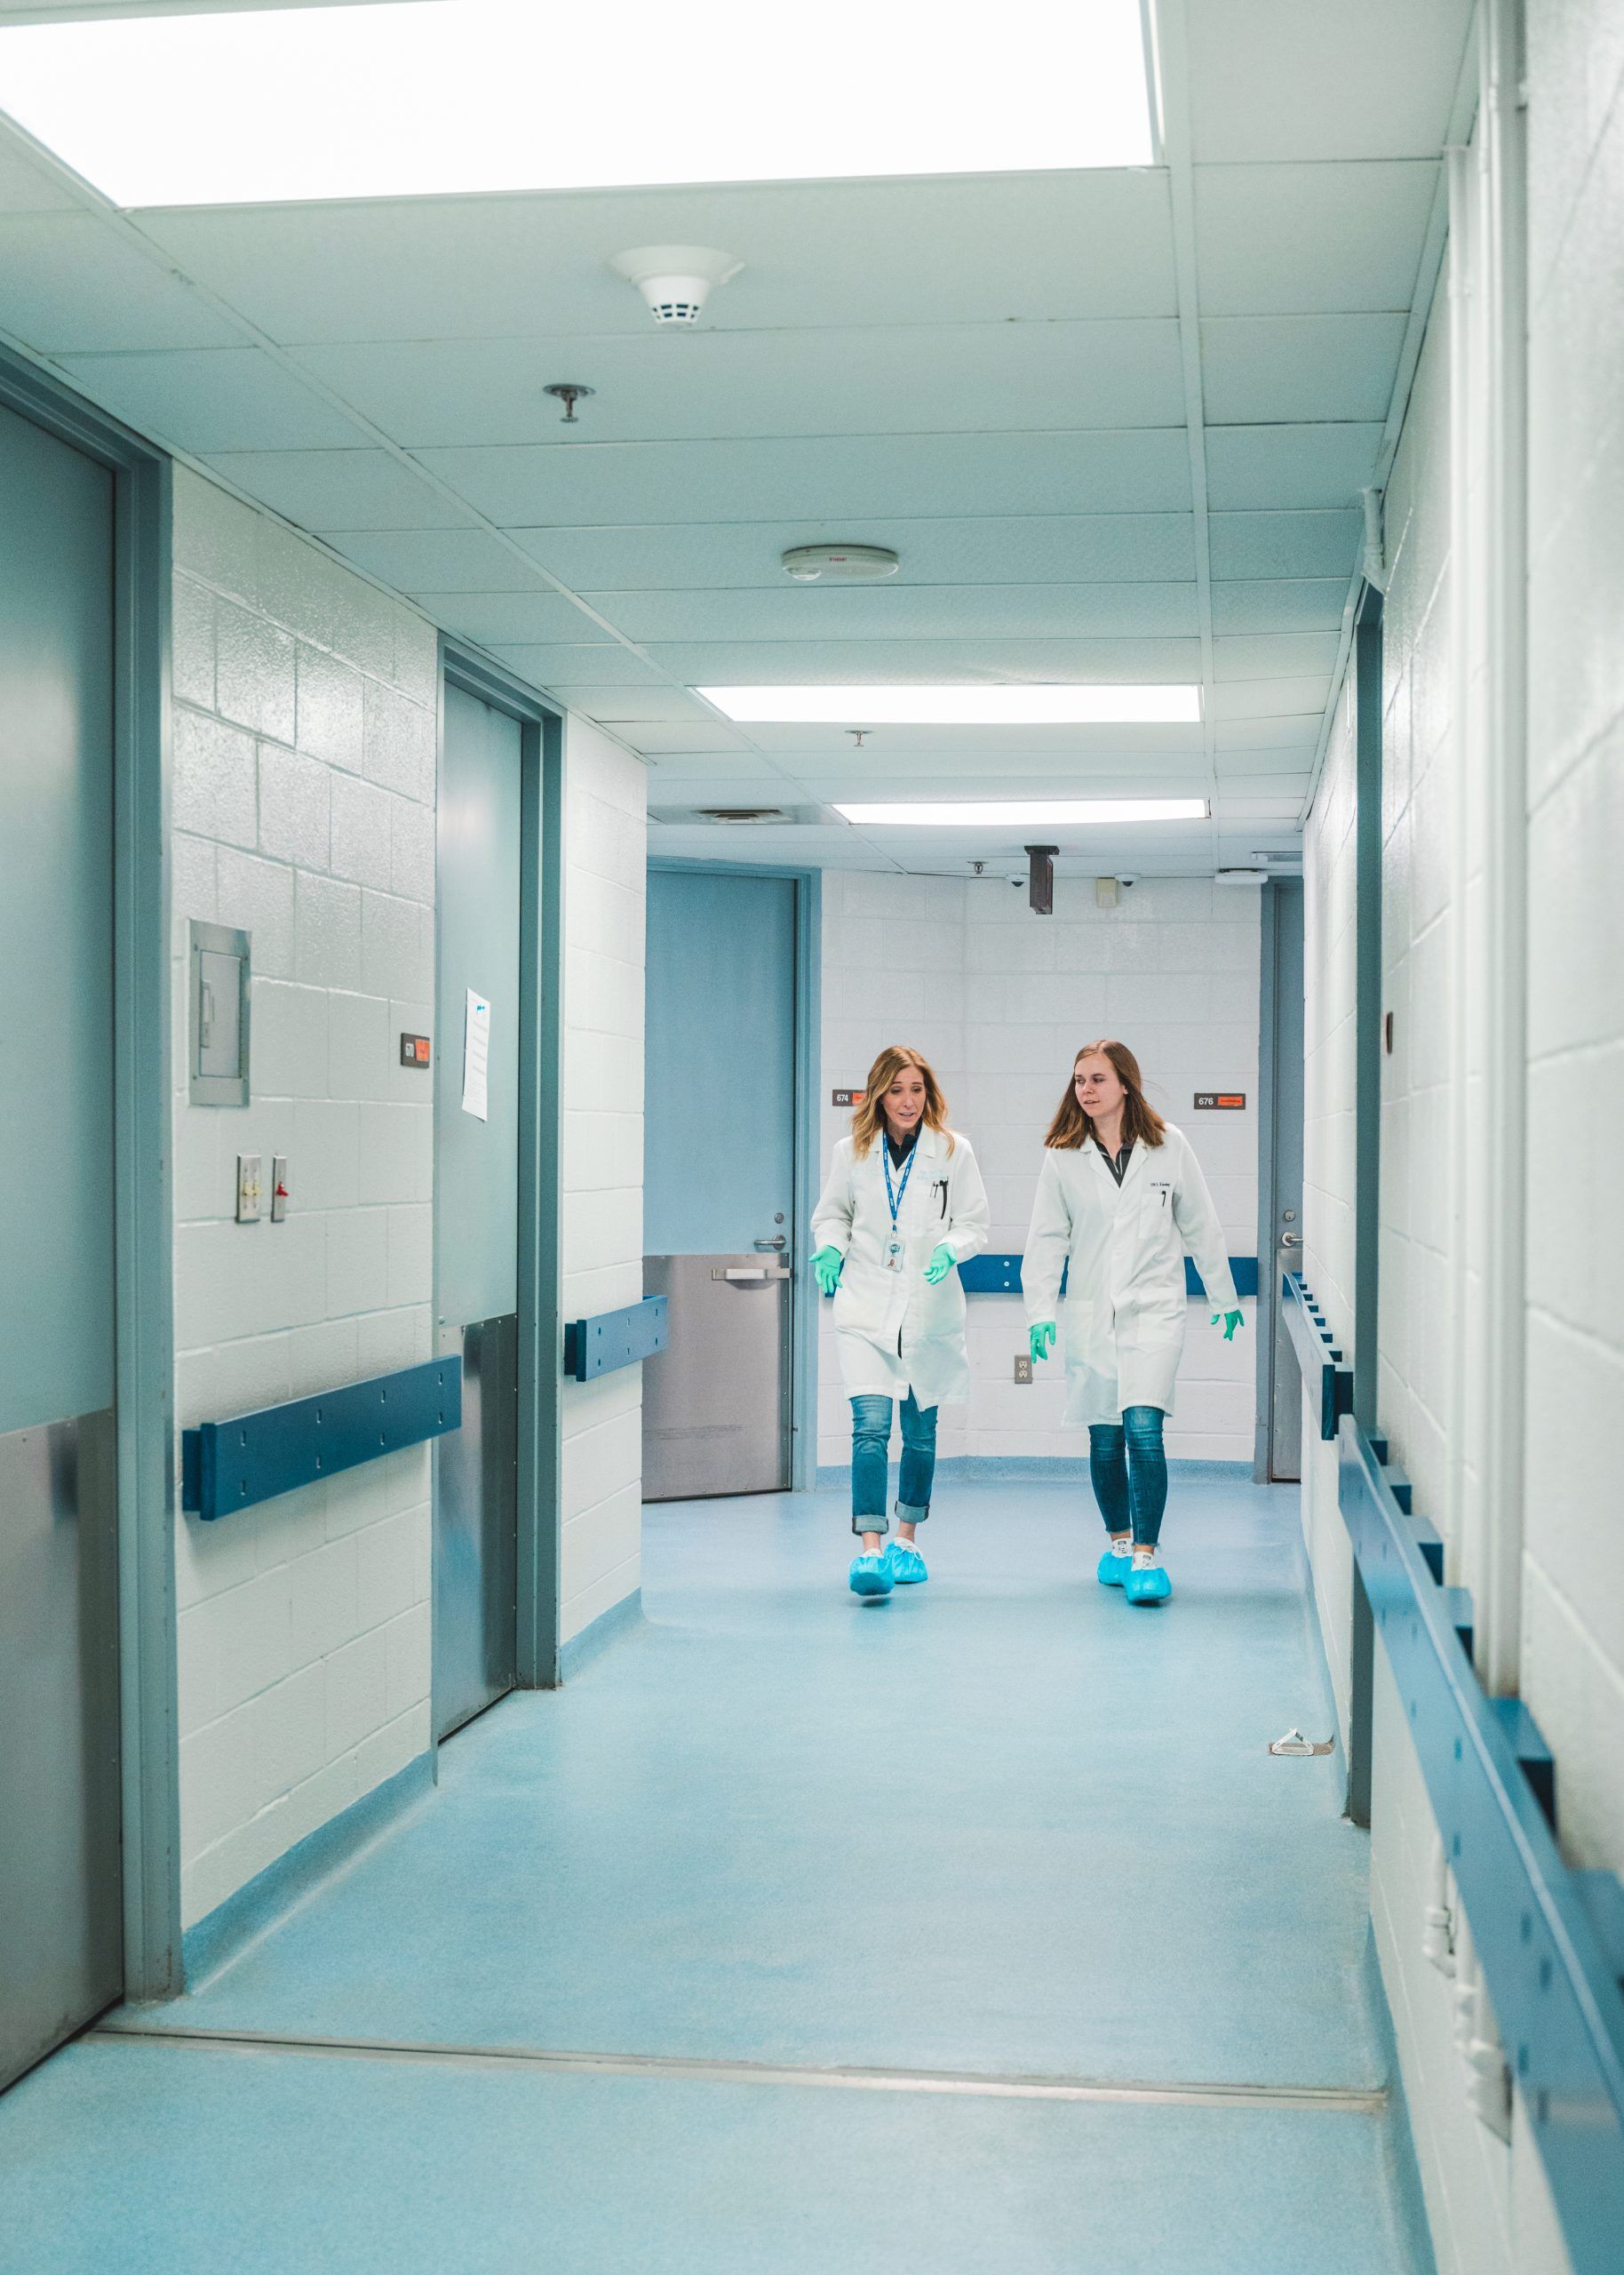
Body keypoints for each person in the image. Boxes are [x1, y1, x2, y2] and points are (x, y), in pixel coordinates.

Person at [1023, 1039, 1243, 1606]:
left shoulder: (1169, 1146)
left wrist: (1223, 1295)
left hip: (1155, 1312)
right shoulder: (1063, 1155)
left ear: (1125, 1084)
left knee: (1144, 1429)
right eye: (1079, 1081)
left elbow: (1201, 1224)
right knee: (1105, 1437)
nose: (1087, 1090)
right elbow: (1046, 1240)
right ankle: (1119, 1545)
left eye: (1097, 1079)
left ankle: (1147, 1554)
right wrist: (1041, 1311)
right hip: (1093, 1313)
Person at [811, 1045, 989, 1598]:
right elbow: (833, 1214)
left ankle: (907, 1539)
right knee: (869, 1429)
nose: (907, 1101)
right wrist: (829, 1249)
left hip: (926, 1309)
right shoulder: (852, 1151)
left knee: (919, 1432)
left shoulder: (954, 1152)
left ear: (928, 1094)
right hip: (865, 1308)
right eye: (896, 1090)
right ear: (878, 1095)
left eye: (916, 1090)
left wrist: (951, 1248)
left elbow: (976, 1222)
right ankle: (870, 1548)